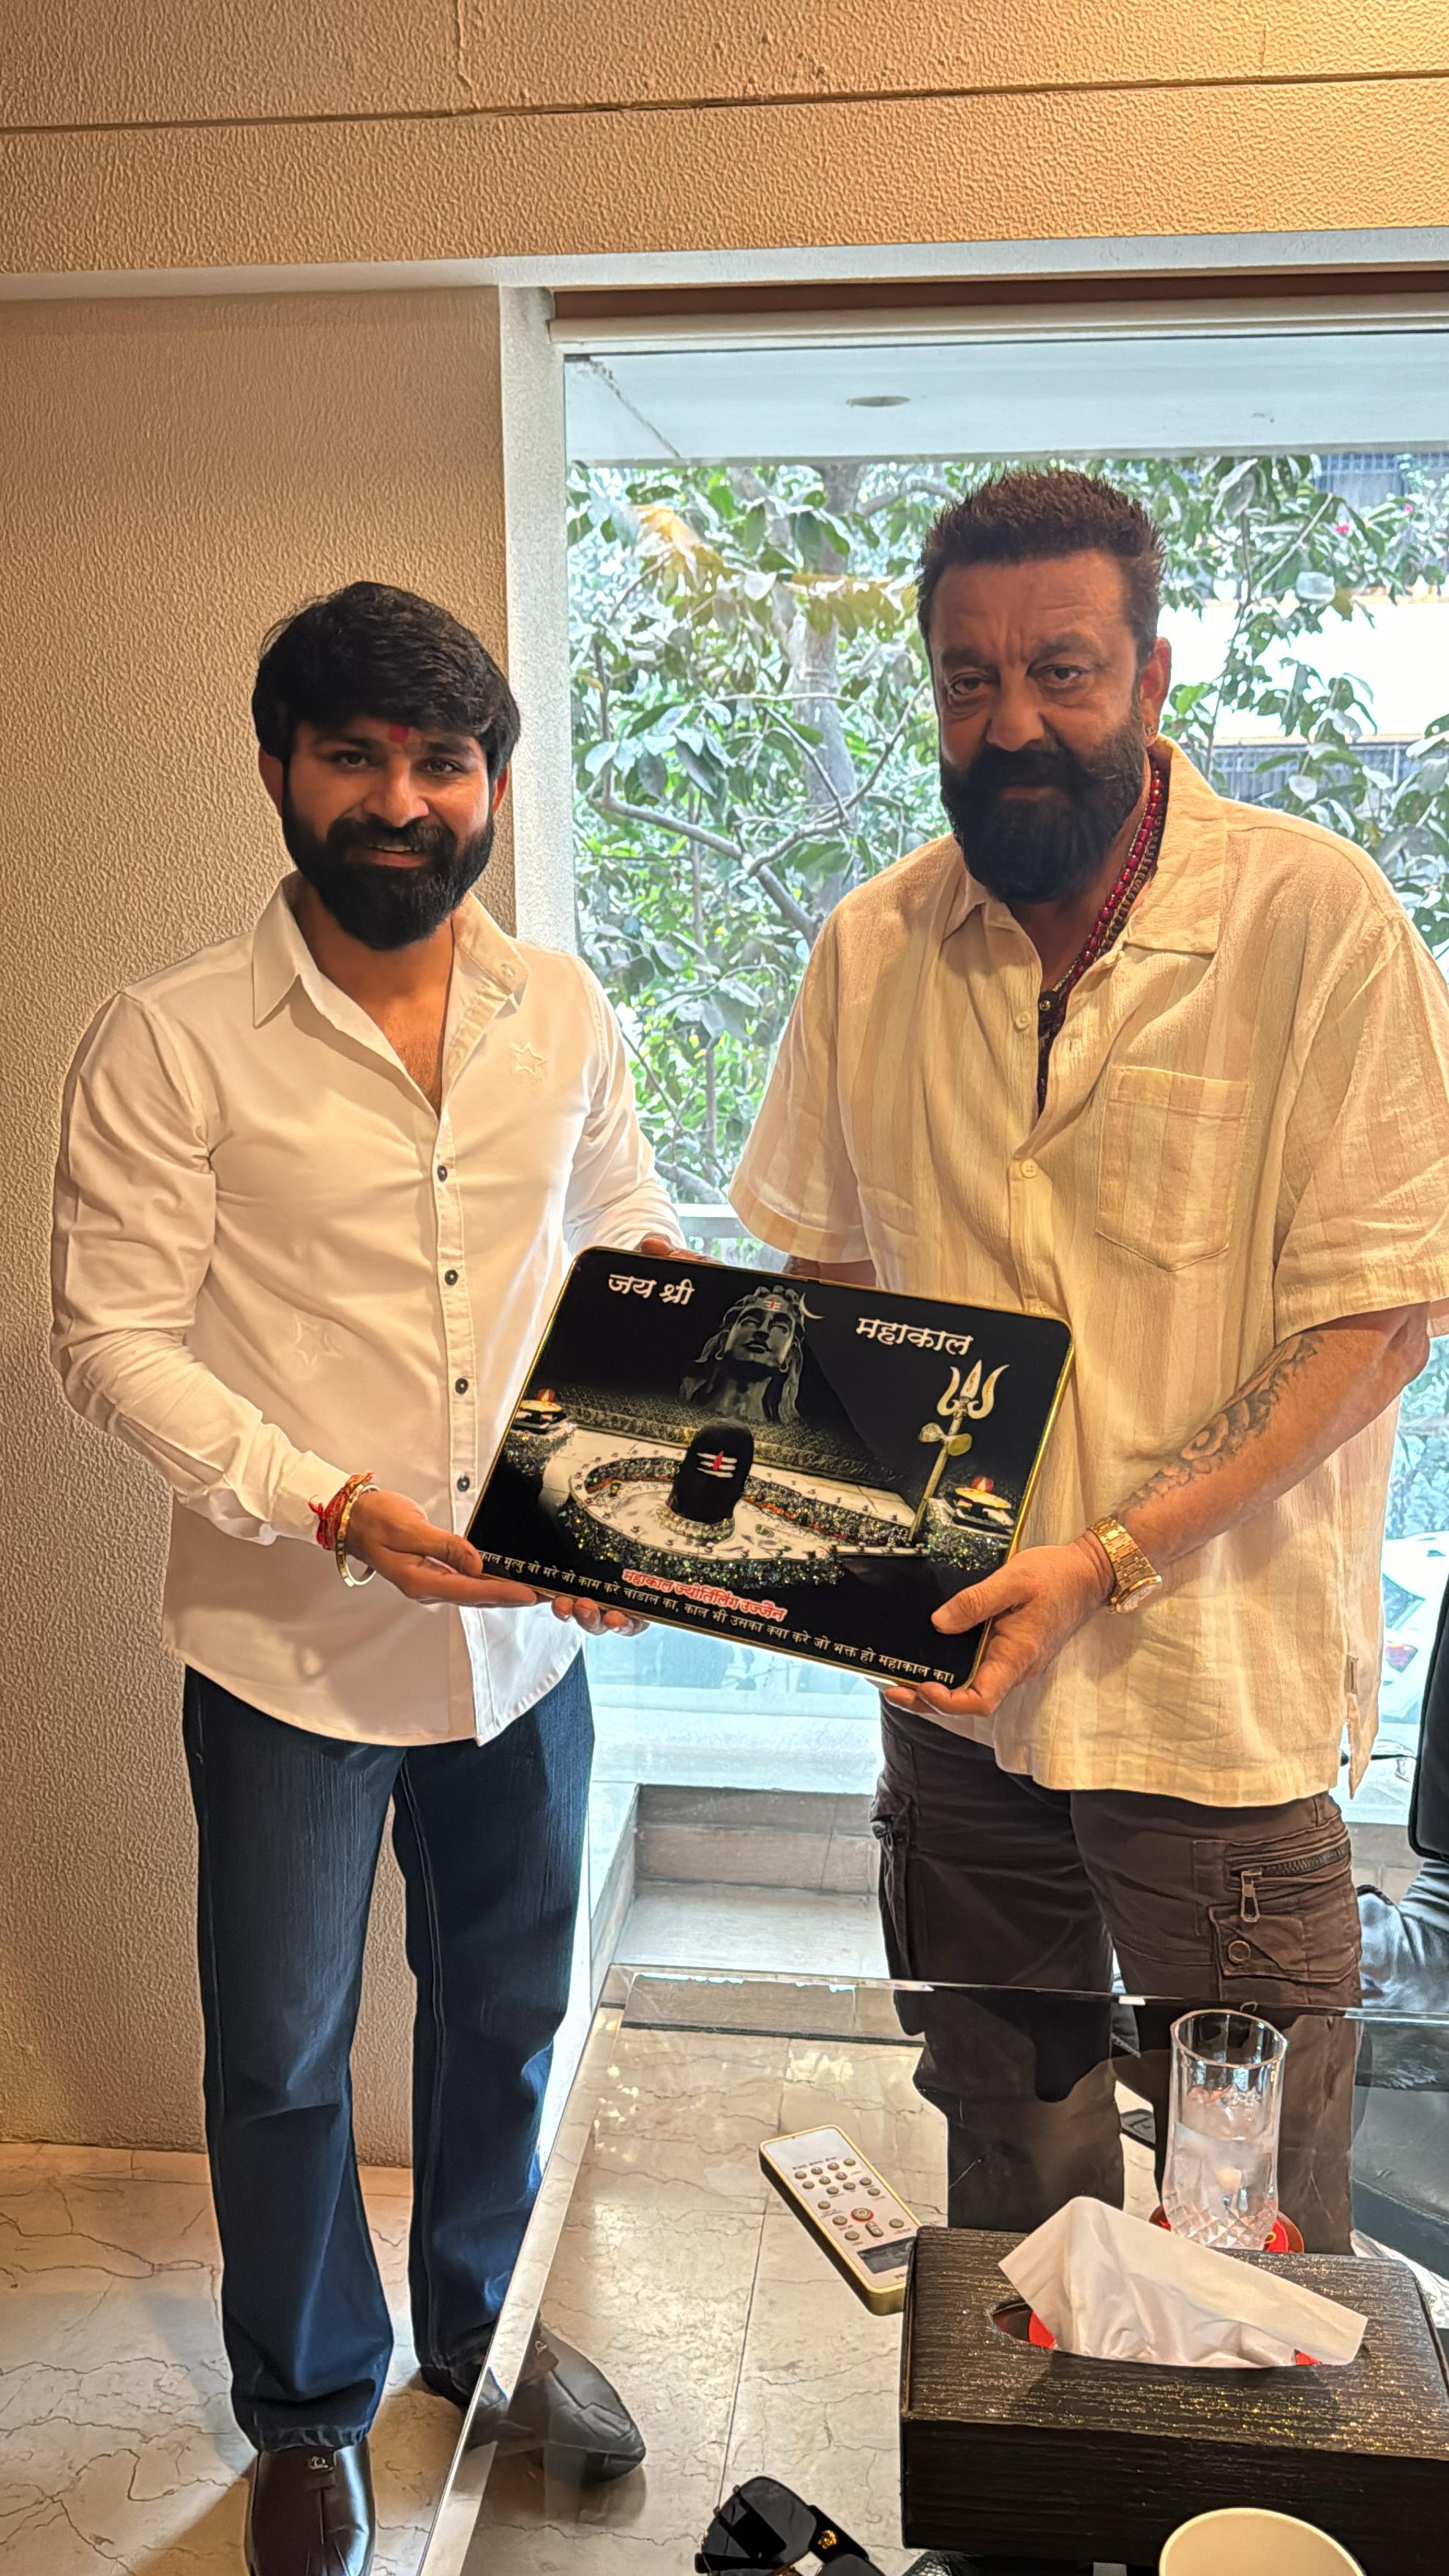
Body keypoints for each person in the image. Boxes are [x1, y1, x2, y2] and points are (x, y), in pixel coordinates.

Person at [731, 468, 1449, 2262]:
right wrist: (722, 1490)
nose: (1012, 721)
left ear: (1152, 675)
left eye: (1062, 669)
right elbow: (829, 1269)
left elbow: (1377, 1321)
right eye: (968, 678)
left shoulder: (1316, 920)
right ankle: (1025, 2449)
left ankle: (1218, 2455)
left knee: (1246, 2225)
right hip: (955, 1687)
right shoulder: (872, 945)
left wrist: (1106, 1555)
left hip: (1209, 1694)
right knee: (1009, 2156)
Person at [51, 583, 680, 2576]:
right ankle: (309, 2405)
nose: (403, 800)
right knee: (282, 2053)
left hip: (526, 1650)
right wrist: (325, 1503)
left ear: (490, 782)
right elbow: (108, 1335)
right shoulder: (168, 1039)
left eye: (443, 762)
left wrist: (654, 1480)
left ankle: (477, 2335)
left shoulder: (560, 1011)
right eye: (356, 757)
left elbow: (625, 1238)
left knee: (505, 2010)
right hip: (289, 1648)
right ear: (279, 771)